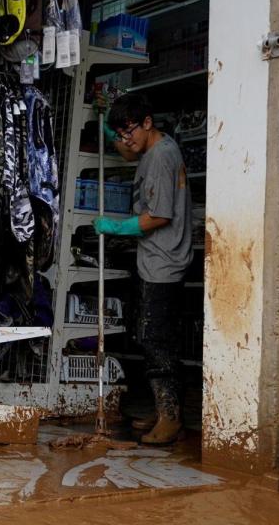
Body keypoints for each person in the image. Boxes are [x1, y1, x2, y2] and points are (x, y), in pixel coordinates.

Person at [93, 93, 192, 445]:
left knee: (156, 340)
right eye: (121, 133)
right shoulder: (150, 147)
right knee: (149, 335)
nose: (126, 140)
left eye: (129, 131)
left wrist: (117, 228)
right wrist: (108, 129)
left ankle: (171, 417)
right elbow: (127, 151)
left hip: (165, 261)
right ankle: (162, 409)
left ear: (147, 122)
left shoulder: (162, 156)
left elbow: (160, 215)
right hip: (152, 258)